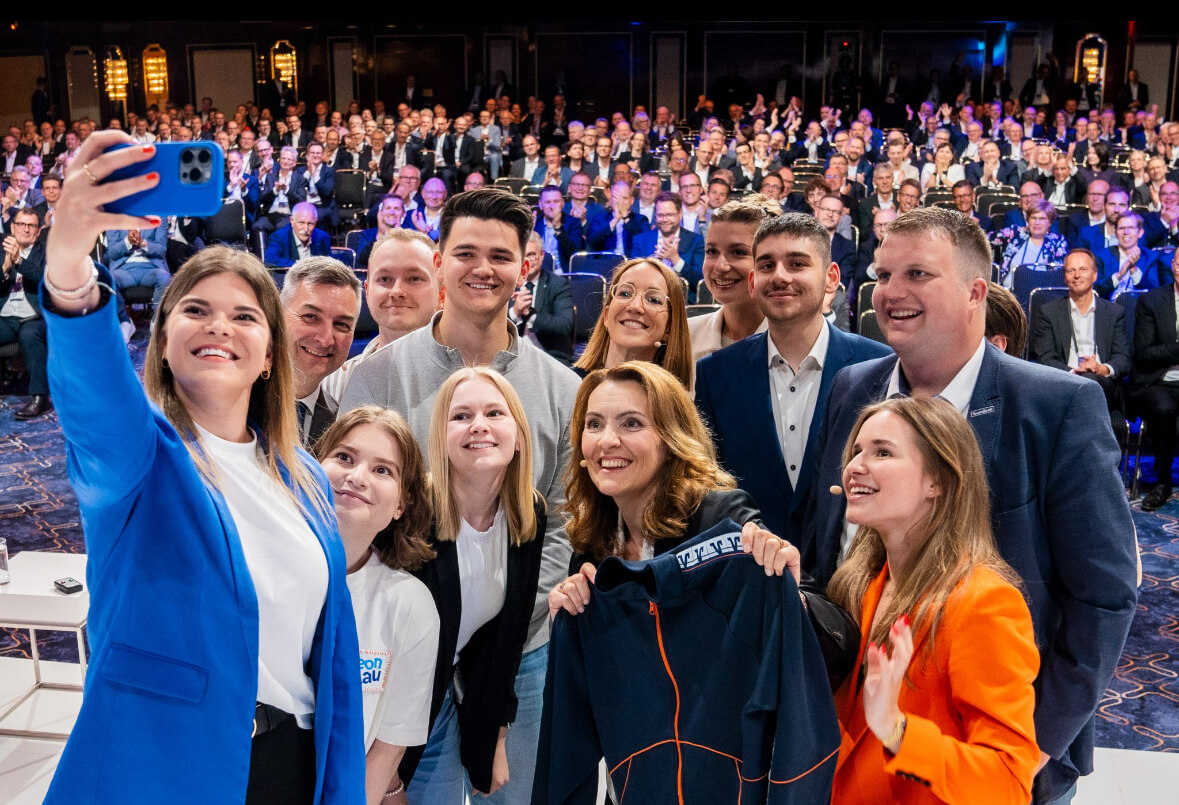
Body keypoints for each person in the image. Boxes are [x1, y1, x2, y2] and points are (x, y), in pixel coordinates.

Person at [39, 130, 362, 803]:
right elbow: (94, 398)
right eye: (195, 310)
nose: (219, 325)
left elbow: (325, 656)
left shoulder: (304, 476)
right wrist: (69, 261)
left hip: (289, 767)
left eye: (245, 316)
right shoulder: (140, 458)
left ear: (270, 354)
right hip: (166, 769)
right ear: (162, 340)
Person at [805, 207, 1137, 804]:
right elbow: (825, 545)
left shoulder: (1058, 406)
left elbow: (1104, 596)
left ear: (975, 291)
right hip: (850, 753)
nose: (891, 293)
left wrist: (1030, 749)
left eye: (917, 275)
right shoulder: (854, 385)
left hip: (989, 764)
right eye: (882, 275)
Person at [340, 188, 579, 805]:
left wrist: (505, 633)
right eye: (466, 252)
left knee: (517, 796)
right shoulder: (376, 375)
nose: (483, 268)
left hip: (520, 644)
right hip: (404, 639)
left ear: (526, 266)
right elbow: (357, 513)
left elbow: (557, 527)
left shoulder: (561, 389)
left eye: (501, 256)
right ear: (441, 261)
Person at [548, 361, 858, 682]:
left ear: (671, 440)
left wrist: (793, 600)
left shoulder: (718, 517)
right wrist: (567, 624)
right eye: (594, 424)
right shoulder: (591, 545)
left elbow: (840, 643)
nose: (606, 440)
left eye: (631, 423)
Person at [827, 396, 1039, 804]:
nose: (855, 466)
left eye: (883, 452)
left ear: (937, 481)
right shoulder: (857, 584)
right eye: (856, 452)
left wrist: (895, 729)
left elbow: (1009, 783)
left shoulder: (985, 603)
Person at [696, 210, 890, 540]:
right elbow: (711, 490)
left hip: (851, 579)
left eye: (797, 264)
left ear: (831, 277)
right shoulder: (715, 374)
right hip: (752, 575)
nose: (780, 276)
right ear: (754, 281)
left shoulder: (880, 366)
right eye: (767, 265)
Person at [408, 368, 546, 800]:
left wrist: (496, 737)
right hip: (385, 712)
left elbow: (506, 639)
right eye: (461, 416)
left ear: (519, 436)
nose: (479, 425)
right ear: (440, 438)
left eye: (494, 412)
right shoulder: (411, 517)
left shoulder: (527, 515)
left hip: (441, 706)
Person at [313, 406, 439, 805]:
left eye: (383, 470)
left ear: (402, 504)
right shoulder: (261, 572)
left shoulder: (410, 605)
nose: (357, 476)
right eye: (344, 457)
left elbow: (388, 747)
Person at [1032, 249, 1130, 419]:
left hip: (1102, 382)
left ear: (1094, 275)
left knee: (1092, 382)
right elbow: (1045, 358)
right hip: (1064, 380)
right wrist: (1073, 372)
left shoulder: (1114, 312)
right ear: (1065, 277)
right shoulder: (1049, 312)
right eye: (1071, 270)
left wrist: (1102, 368)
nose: (1077, 275)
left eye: (1083, 269)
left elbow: (1122, 358)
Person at [572, 257, 692, 387]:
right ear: (606, 315)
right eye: (625, 293)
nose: (635, 306)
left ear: (669, 327)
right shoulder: (564, 387)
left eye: (653, 300)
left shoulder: (677, 404)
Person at [281, 256, 361, 447]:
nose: (325, 339)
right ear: (277, 315)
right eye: (310, 317)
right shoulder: (233, 402)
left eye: (341, 324)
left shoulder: (340, 426)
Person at [687, 197, 777, 364]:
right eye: (712, 251)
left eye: (738, 252)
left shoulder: (796, 343)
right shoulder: (683, 336)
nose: (720, 266)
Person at [1130, 249, 1179, 511]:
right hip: (1159, 381)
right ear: (1173, 265)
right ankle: (1162, 481)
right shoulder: (1152, 301)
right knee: (1164, 408)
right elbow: (1144, 354)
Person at [1, 207, 51, 419]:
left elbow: (45, 279)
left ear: (38, 231)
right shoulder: (1, 249)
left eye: (31, 225)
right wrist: (5, 267)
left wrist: (19, 261)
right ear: (13, 227)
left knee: (31, 336)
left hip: (34, 315)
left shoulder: (47, 251)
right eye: (21, 224)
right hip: (4, 315)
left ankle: (40, 398)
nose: (26, 229)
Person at [511, 232, 574, 365]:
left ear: (542, 255)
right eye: (522, 255)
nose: (526, 261)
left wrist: (530, 314)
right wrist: (514, 313)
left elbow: (564, 326)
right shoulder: (508, 282)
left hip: (550, 356)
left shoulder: (558, 284)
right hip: (512, 356)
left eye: (531, 255)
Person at [999, 199, 1069, 287]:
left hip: (1040, 295)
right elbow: (985, 238)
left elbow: (1058, 275)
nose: (1037, 222)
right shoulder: (1015, 234)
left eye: (1042, 218)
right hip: (1008, 293)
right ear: (1028, 220)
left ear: (1050, 222)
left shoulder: (1057, 242)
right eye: (1033, 218)